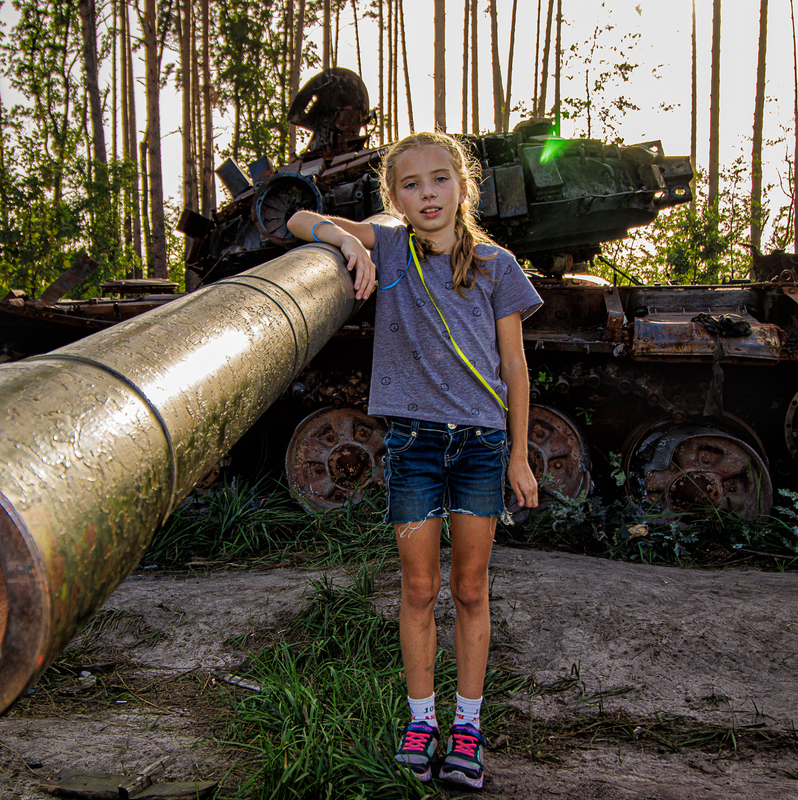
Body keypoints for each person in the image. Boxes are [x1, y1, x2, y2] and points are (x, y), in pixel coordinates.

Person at [286, 131, 541, 789]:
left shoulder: (496, 265)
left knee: (470, 588)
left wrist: (519, 456)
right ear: (394, 197)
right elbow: (297, 218)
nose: (427, 194)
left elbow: (514, 367)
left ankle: (468, 728)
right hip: (415, 446)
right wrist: (347, 242)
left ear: (462, 186)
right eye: (410, 184)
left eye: (439, 179)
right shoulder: (392, 248)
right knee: (420, 589)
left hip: (480, 445)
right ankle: (421, 722)